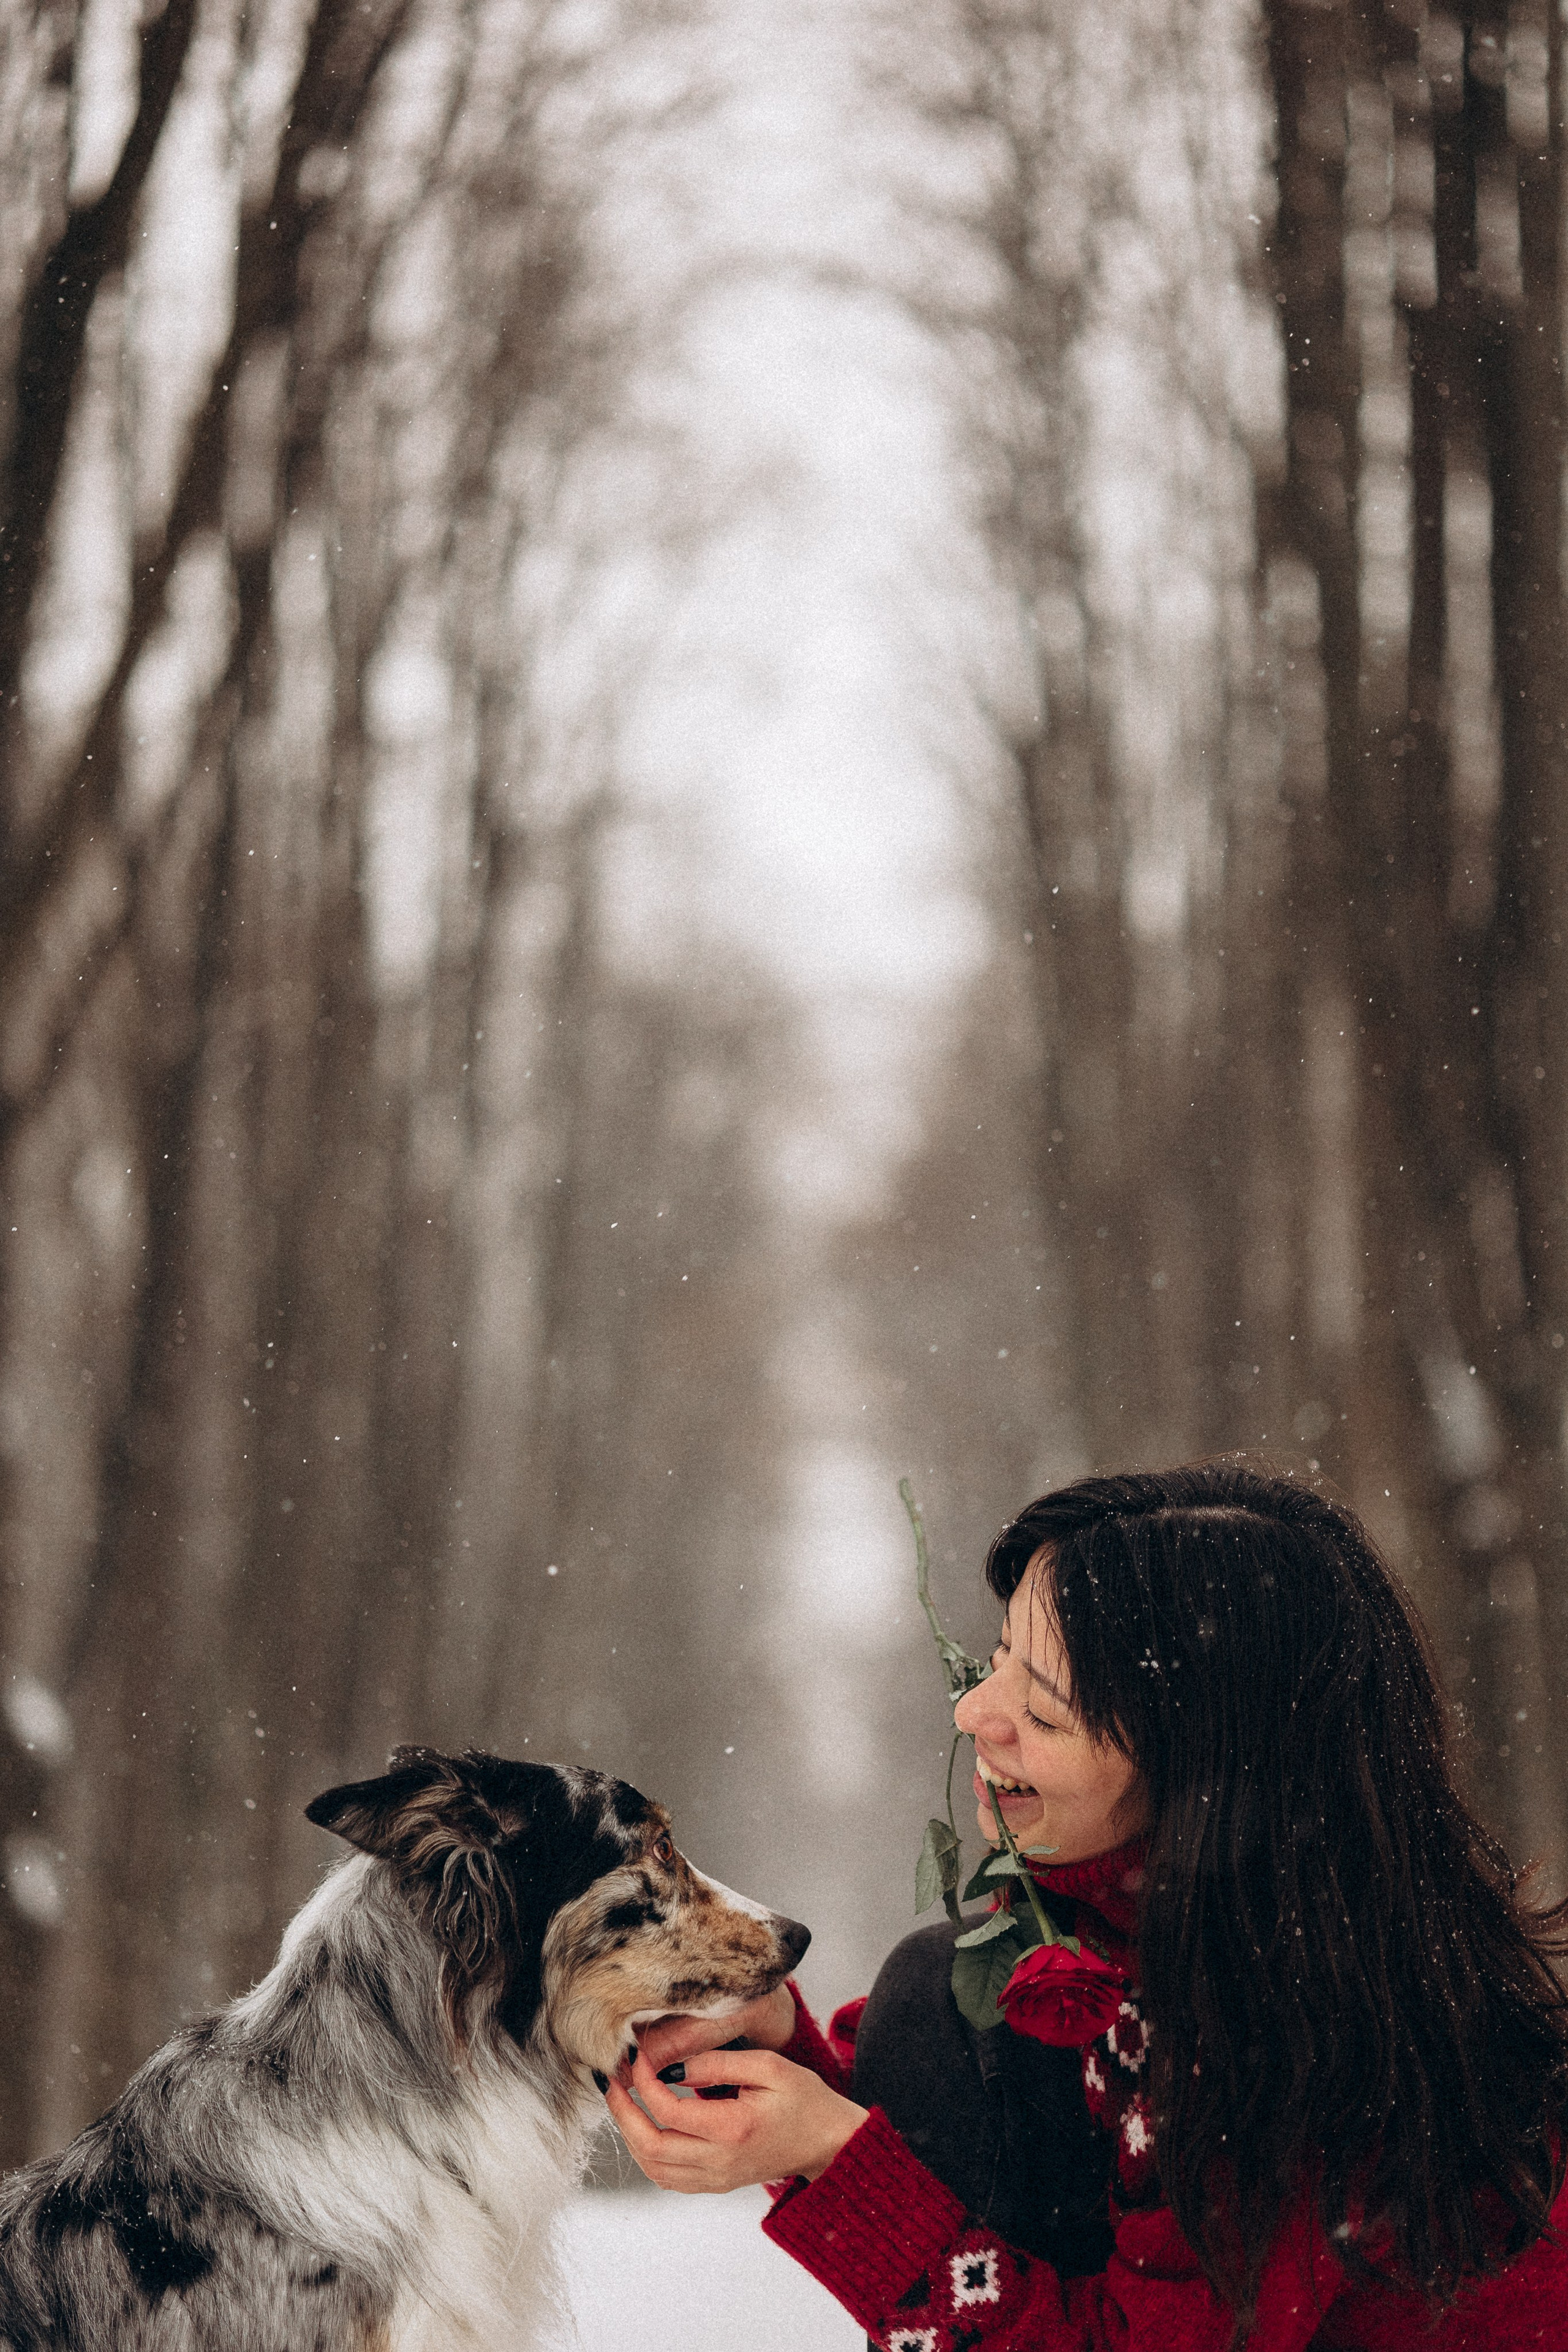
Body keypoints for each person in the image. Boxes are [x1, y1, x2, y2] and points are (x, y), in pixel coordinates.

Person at [604, 1463, 1568, 2349]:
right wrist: (778, 2067)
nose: (974, 1713)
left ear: (1200, 1775)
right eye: (996, 1662)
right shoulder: (1169, 1923)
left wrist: (834, 2150)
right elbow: (937, 2131)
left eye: (1047, 1706)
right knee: (940, 1996)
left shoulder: (1298, 2036)